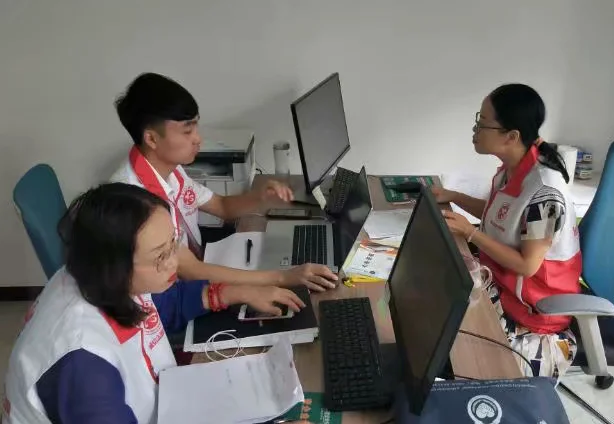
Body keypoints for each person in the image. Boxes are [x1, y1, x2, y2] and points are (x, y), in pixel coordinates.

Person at [2, 183, 308, 423]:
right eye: (161, 256)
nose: (174, 262)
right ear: (116, 267)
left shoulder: (101, 274)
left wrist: (236, 292)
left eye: (173, 244)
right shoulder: (82, 366)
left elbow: (164, 304)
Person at [110, 72, 337, 292]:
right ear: (151, 138)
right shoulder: (133, 200)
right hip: (174, 297)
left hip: (199, 265)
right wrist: (283, 277)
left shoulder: (171, 169)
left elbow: (221, 206)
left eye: (196, 127)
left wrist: (260, 197)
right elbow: (191, 271)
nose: (198, 139)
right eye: (187, 131)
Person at [434, 83, 582, 378]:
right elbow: (501, 215)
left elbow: (527, 265)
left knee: (448, 352)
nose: (475, 130)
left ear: (511, 136)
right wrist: (455, 197)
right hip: (500, 285)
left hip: (532, 313)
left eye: (482, 123)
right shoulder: (512, 167)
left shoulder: (544, 194)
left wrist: (471, 233)